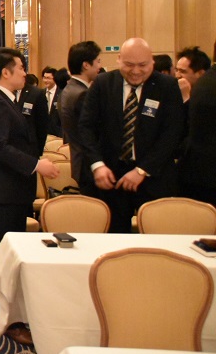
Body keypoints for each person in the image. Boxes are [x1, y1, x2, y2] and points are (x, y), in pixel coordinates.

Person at [0, 47, 59, 345]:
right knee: (3, 254)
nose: (25, 72)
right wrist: (36, 164)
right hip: (2, 192)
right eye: (21, 67)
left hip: (5, 190)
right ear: (5, 72)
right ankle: (6, 317)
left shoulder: (2, 98)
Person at [78, 38, 185, 233]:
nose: (136, 71)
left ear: (152, 62)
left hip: (154, 177)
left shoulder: (167, 86)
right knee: (114, 237)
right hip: (111, 178)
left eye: (142, 65)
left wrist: (142, 170)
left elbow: (172, 133)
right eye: (129, 64)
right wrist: (97, 165)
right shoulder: (103, 83)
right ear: (118, 59)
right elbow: (86, 128)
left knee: (157, 237)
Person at [59, 41, 102, 195]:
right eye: (97, 61)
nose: (100, 66)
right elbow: (91, 132)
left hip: (79, 159)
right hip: (87, 163)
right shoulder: (82, 94)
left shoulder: (68, 89)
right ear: (86, 65)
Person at [178, 40, 216, 206]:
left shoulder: (206, 82)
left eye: (182, 71)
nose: (177, 75)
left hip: (196, 173)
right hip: (204, 175)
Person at [42, 66, 63, 137]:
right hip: (44, 133)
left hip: (58, 133)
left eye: (48, 78)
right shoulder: (41, 93)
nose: (45, 80)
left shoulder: (61, 93)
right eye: (44, 78)